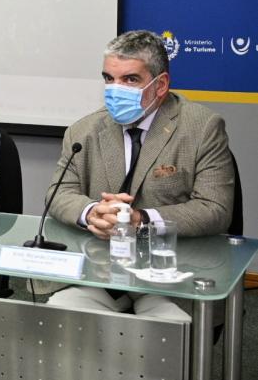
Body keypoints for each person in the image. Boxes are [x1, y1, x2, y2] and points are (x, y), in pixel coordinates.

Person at [45, 30, 235, 320]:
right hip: (101, 272)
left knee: (166, 328)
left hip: (170, 274)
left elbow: (215, 209)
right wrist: (91, 212)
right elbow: (58, 193)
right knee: (60, 313)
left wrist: (141, 219)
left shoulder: (203, 128)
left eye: (130, 79)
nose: (115, 89)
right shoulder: (83, 131)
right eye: (109, 78)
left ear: (161, 85)